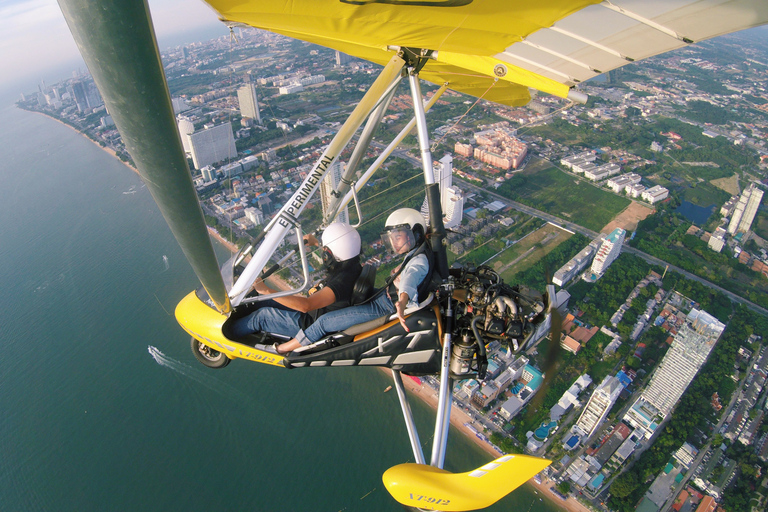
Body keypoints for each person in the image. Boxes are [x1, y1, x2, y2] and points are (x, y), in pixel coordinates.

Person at [275, 208, 430, 355]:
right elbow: (343, 252)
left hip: (385, 307)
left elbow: (409, 281)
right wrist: (319, 243)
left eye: (398, 236)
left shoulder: (418, 262)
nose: (394, 242)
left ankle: (283, 349)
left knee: (324, 322)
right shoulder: (417, 253)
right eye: (392, 237)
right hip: (383, 296)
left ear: (415, 233)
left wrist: (402, 302)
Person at [229, 222, 362, 342]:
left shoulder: (341, 281)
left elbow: (306, 305)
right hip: (314, 313)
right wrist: (317, 243)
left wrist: (267, 290)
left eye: (325, 251)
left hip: (310, 323)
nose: (324, 254)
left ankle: (227, 333)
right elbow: (340, 249)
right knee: (265, 300)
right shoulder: (351, 265)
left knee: (262, 316)